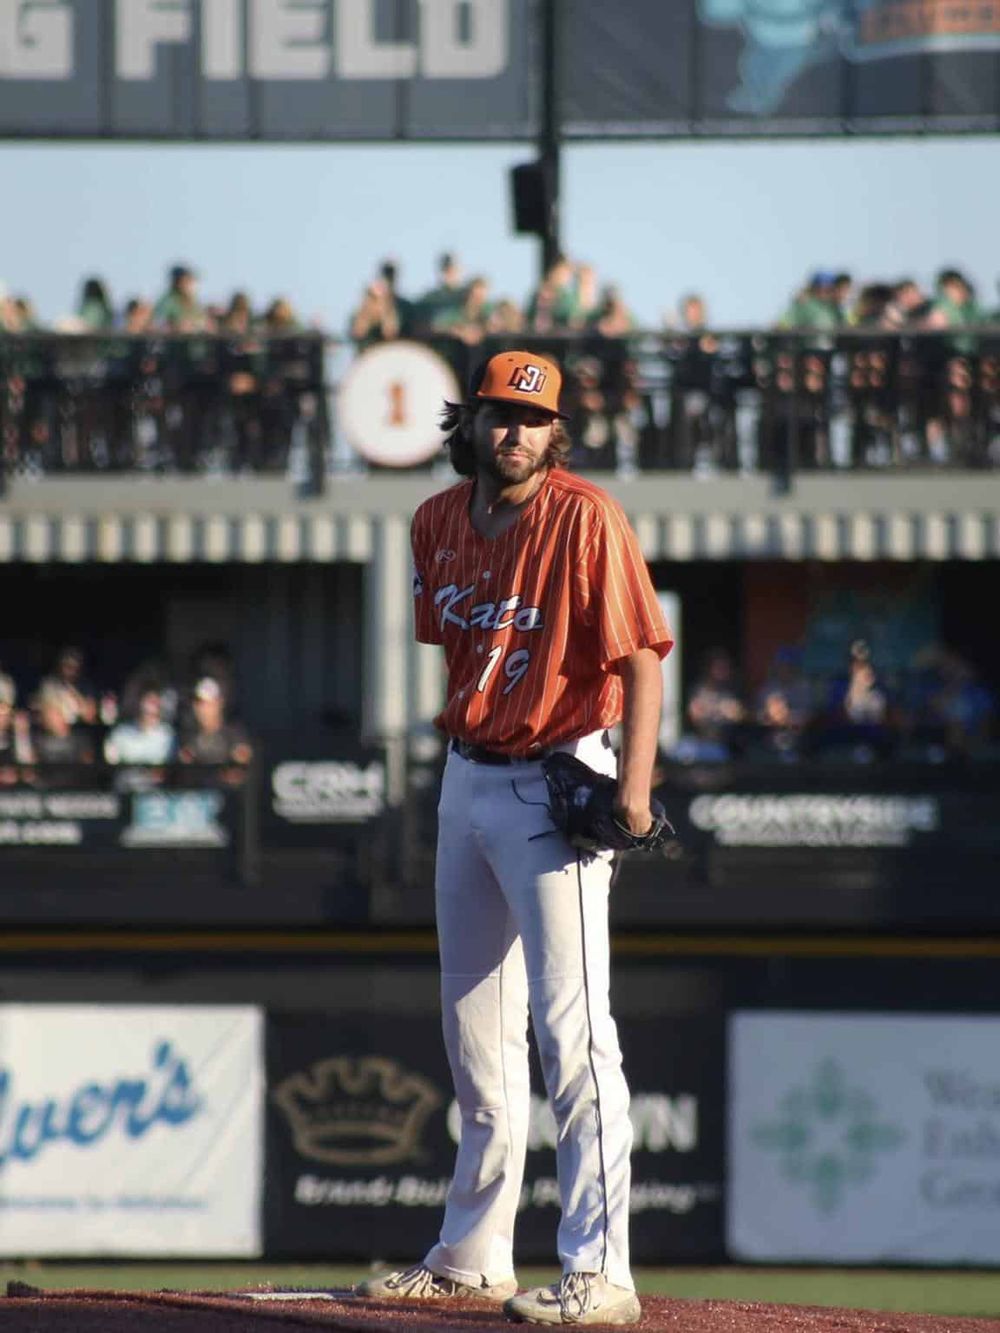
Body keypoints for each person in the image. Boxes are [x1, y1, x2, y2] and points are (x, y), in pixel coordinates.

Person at [358, 349, 672, 1326]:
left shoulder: (587, 516)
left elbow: (642, 657)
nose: (514, 432)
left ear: (555, 430)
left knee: (571, 1034)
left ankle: (601, 1270)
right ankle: (470, 1252)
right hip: (466, 776)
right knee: (474, 1034)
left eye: (532, 418)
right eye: (498, 413)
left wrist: (634, 784)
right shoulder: (434, 521)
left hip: (553, 779)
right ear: (471, 422)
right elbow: (459, 649)